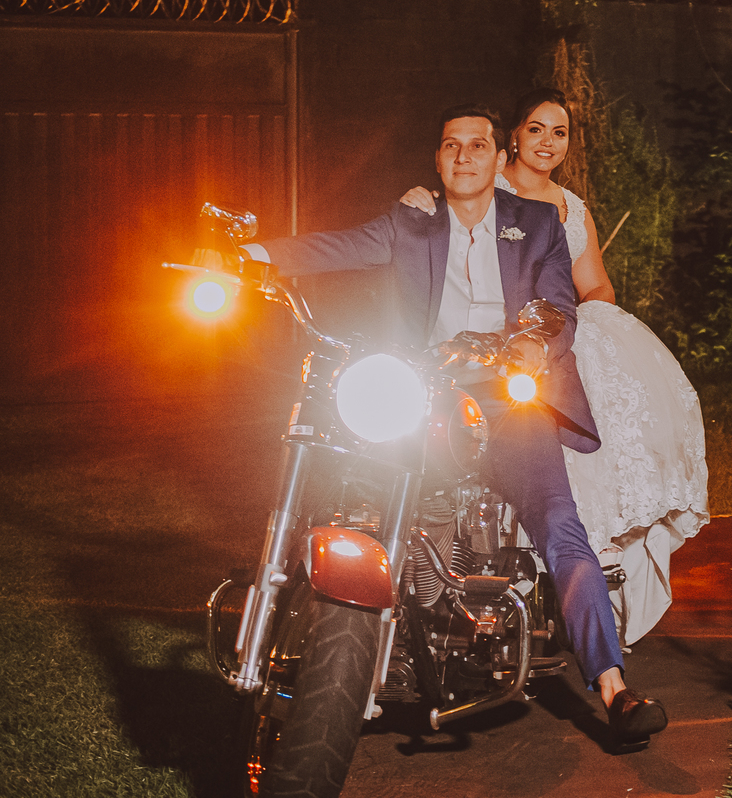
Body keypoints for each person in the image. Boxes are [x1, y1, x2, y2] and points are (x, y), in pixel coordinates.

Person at [241, 104, 667, 746]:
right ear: (437, 159)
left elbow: (558, 302)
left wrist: (531, 345)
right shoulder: (411, 222)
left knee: (558, 521)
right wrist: (250, 254)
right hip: (424, 394)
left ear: (499, 159)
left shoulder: (539, 223)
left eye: (477, 145)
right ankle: (346, 642)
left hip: (509, 400)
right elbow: (338, 246)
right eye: (450, 145)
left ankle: (614, 687)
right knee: (361, 494)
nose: (464, 156)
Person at [402, 88, 708, 646]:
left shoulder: (572, 207)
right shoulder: (485, 184)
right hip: (491, 341)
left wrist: (577, 325)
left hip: (556, 329)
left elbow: (596, 285)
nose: (547, 142)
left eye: (559, 132)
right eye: (536, 129)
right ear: (512, 139)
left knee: (614, 398)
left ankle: (592, 550)